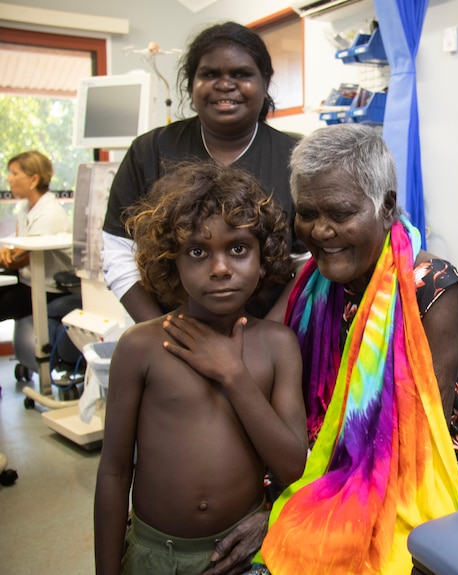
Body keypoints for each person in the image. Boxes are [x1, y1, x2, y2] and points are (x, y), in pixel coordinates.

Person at [207, 123, 458, 575]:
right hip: (328, 454)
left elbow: (411, 439)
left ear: (387, 206)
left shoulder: (432, 288)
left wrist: (288, 507)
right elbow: (271, 370)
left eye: (340, 213)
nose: (321, 231)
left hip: (417, 466)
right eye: (308, 213)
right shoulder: (312, 280)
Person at [94, 162, 308, 575]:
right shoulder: (141, 347)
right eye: (197, 252)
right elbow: (115, 472)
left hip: (243, 556)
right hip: (154, 556)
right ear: (170, 261)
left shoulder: (279, 345)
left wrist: (234, 375)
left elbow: (292, 467)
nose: (221, 267)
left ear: (263, 257)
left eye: (238, 249)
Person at [101, 21, 301, 323]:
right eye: (210, 74)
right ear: (190, 84)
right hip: (170, 335)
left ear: (265, 81)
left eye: (241, 74)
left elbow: (307, 261)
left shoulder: (297, 158)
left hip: (271, 335)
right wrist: (160, 333)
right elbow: (117, 251)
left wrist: (269, 335)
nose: (225, 84)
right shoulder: (149, 150)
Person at [0, 150, 73, 321]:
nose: (9, 179)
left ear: (34, 179)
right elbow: (15, 252)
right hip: (27, 280)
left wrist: (7, 254)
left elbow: (19, 259)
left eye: (15, 173)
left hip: (47, 289)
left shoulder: (49, 213)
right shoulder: (27, 208)